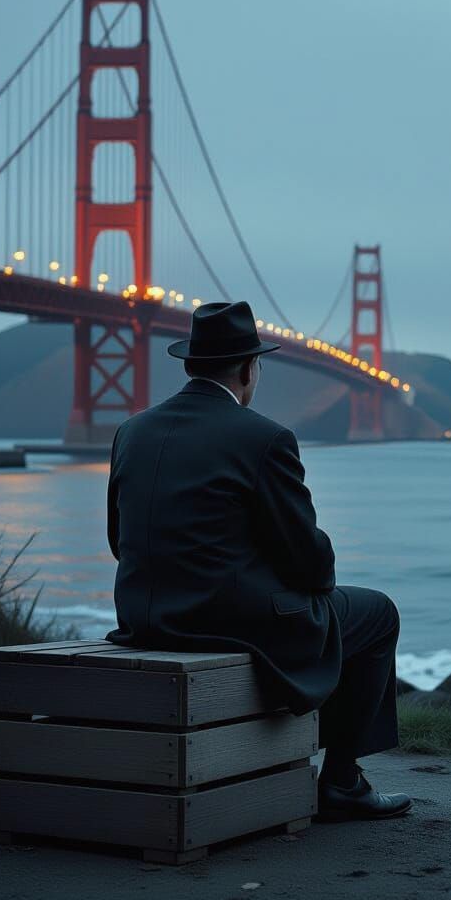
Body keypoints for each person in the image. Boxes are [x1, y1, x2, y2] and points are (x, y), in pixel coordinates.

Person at [103, 299, 412, 822]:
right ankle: (342, 781)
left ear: (190, 364)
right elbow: (308, 561)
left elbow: (119, 541)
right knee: (378, 613)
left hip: (142, 619)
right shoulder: (265, 437)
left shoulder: (131, 431)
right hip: (228, 625)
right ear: (249, 369)